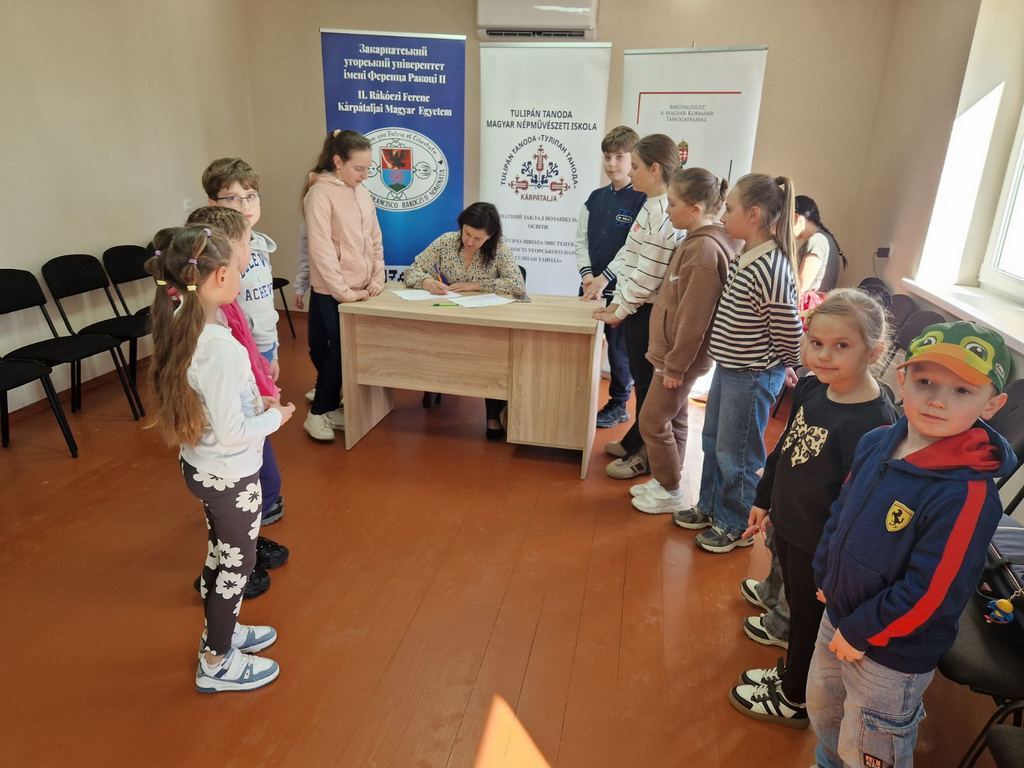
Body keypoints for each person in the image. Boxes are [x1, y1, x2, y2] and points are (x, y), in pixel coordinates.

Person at [805, 320, 1013, 767]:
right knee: (826, 710)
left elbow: (933, 591)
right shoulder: (877, 442)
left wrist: (862, 630)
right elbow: (841, 511)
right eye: (925, 382)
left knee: (871, 742)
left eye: (962, 391)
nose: (937, 400)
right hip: (838, 612)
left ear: (992, 404)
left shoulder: (967, 495)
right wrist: (824, 573)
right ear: (902, 380)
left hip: (890, 653)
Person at [728, 289, 899, 728]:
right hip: (788, 524)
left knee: (807, 617)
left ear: (873, 352)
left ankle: (795, 698)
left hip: (820, 544)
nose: (823, 355)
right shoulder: (810, 386)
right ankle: (795, 672)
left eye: (841, 345)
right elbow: (785, 448)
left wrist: (832, 559)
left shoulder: (875, 423)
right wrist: (764, 499)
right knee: (795, 604)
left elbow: (859, 504)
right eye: (816, 342)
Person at [148, 225, 295, 692]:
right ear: (219, 277)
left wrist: (255, 404)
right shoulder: (219, 348)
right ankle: (216, 661)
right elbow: (232, 433)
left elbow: (216, 405)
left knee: (221, 553)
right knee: (236, 568)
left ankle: (222, 632)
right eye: (236, 266)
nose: (241, 272)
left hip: (204, 466)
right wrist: (275, 417)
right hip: (230, 474)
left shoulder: (184, 322)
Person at [673, 174, 803, 553]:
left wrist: (789, 363)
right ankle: (711, 507)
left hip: (752, 375)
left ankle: (735, 522)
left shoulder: (772, 267)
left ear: (754, 214)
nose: (722, 216)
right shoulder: (745, 255)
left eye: (729, 209)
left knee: (738, 454)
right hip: (730, 369)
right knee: (713, 442)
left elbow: (788, 329)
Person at [185, 206, 291, 592]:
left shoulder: (221, 302)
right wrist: (272, 411)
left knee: (259, 489)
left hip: (247, 413)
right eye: (247, 242)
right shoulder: (213, 320)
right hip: (234, 442)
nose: (251, 250)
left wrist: (264, 385)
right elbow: (230, 376)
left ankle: (242, 545)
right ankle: (236, 562)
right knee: (254, 490)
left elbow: (247, 350)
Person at [630, 167, 739, 514]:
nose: (667, 210)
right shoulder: (696, 241)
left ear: (695, 209)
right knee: (673, 418)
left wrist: (675, 365)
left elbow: (694, 318)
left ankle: (671, 489)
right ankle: (668, 482)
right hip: (674, 355)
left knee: (651, 421)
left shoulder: (704, 250)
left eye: (673, 204)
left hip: (680, 359)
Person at [586, 133, 680, 479]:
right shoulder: (650, 204)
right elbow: (629, 253)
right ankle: (635, 439)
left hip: (648, 310)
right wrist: (614, 297)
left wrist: (620, 309)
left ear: (654, 169)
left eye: (635, 166)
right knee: (642, 383)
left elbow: (649, 272)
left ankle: (644, 453)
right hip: (634, 306)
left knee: (647, 385)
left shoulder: (664, 211)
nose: (629, 172)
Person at [404, 202, 526, 440]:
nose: (469, 241)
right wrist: (427, 282)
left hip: (487, 322)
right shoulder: (446, 241)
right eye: (467, 233)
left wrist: (476, 285)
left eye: (477, 238)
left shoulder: (499, 249)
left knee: (492, 355)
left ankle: (492, 415)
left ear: (490, 236)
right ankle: (437, 381)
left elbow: (517, 285)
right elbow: (413, 270)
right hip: (451, 315)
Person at [303, 129, 385, 442]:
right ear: (338, 162)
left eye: (368, 168)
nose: (365, 176)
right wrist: (344, 293)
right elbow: (322, 250)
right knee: (336, 352)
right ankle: (318, 413)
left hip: (361, 290)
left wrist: (377, 276)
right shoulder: (320, 195)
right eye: (359, 168)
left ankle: (330, 398)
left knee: (342, 352)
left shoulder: (362, 193)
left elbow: (374, 239)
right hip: (333, 292)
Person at [574, 125, 646, 429]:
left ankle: (619, 403)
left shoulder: (642, 200)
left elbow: (632, 247)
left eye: (619, 157)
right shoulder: (595, 197)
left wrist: (604, 277)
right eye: (607, 157)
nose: (612, 164)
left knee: (619, 352)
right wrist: (588, 275)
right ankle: (579, 397)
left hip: (620, 290)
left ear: (633, 160)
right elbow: (581, 240)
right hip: (590, 286)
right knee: (583, 345)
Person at [794, 195, 846, 294]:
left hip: (810, 304)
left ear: (795, 217)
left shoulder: (817, 241)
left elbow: (800, 286)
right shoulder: (823, 239)